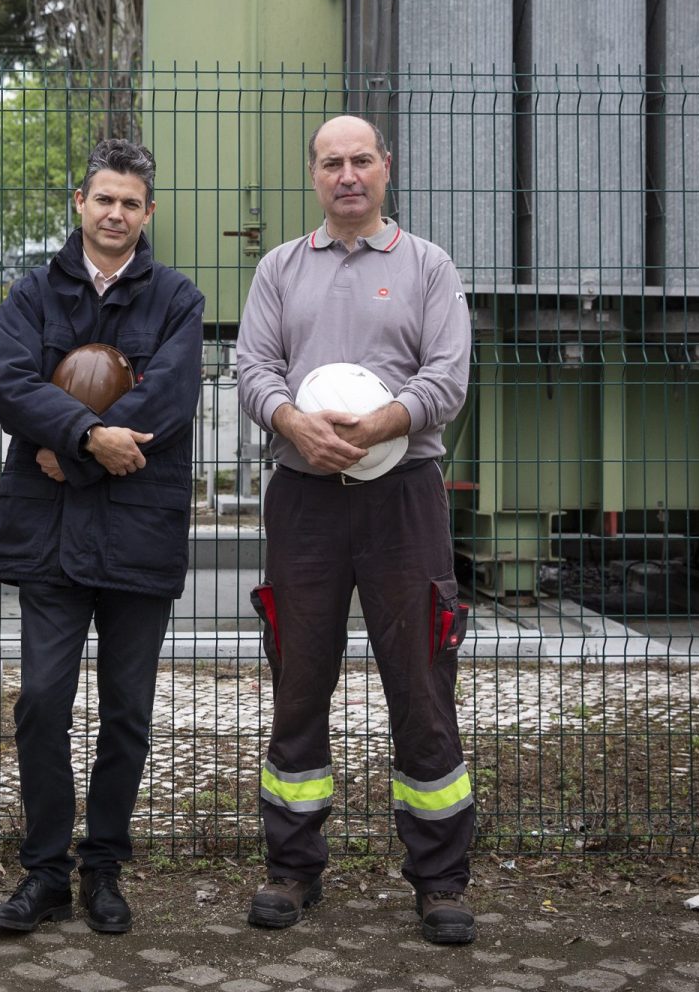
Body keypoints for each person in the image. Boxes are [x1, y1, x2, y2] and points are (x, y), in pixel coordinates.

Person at [234, 114, 476, 945]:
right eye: (331, 162)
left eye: (360, 160)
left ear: (385, 169)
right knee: (300, 680)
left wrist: (381, 426)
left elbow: (448, 374)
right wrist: (293, 424)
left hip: (403, 498)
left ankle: (440, 880)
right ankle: (292, 868)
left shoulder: (427, 268)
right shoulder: (279, 270)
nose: (347, 175)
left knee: (419, 680)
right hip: (304, 500)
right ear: (314, 175)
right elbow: (252, 366)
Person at [0, 138, 205, 935]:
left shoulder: (177, 298)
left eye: (131, 202)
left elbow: (172, 400)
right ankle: (44, 871)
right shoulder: (30, 295)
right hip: (49, 540)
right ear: (79, 203)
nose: (115, 213)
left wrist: (71, 450)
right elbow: (11, 389)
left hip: (137, 534)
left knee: (127, 712)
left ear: (149, 213)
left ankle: (103, 868)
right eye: (102, 199)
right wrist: (89, 435)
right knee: (43, 701)